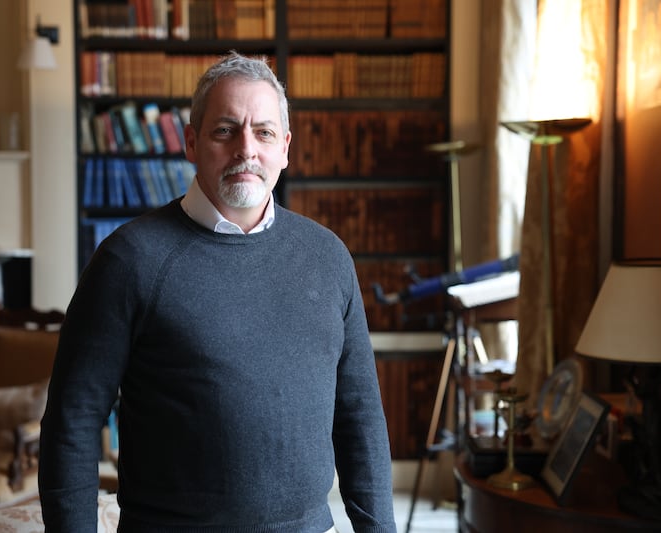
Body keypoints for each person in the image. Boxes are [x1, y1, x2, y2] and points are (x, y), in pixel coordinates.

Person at [38, 51, 397, 532]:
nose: (246, 149)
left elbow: (361, 420)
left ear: (285, 148)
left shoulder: (328, 257)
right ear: (191, 142)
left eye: (264, 132)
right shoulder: (128, 260)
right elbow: (72, 424)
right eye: (225, 130)